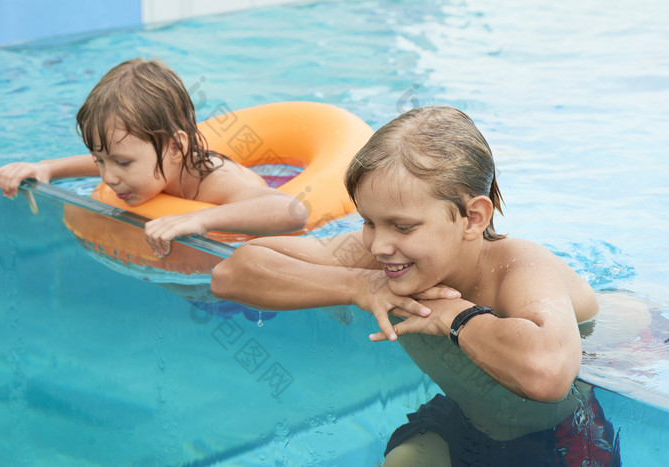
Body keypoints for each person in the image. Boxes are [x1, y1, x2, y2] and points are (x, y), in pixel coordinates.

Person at [210, 106, 620, 466]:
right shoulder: (381, 259)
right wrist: (358, 285)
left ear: (473, 219)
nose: (379, 244)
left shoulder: (519, 266)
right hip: (464, 420)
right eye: (368, 221)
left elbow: (548, 375)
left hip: (561, 437)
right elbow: (232, 273)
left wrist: (456, 317)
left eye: (403, 226)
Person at [0, 58, 308, 258]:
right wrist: (45, 167)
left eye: (123, 164)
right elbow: (108, 160)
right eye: (101, 161)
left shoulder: (218, 180)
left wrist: (199, 219)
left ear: (174, 148)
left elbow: (292, 212)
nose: (107, 177)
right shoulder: (139, 164)